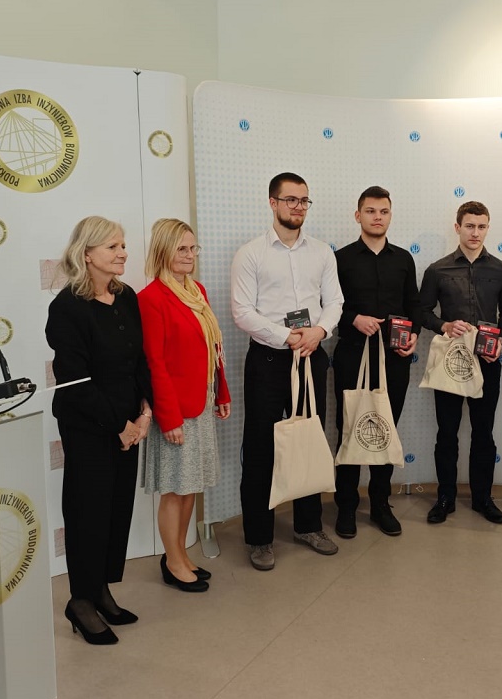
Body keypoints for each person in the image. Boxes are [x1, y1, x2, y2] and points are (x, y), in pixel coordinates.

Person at [46, 216, 153, 645]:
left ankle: (101, 589)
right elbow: (74, 382)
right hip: (89, 426)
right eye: (112, 246)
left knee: (115, 510)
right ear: (86, 253)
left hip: (129, 422)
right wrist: (119, 427)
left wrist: (145, 412)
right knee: (87, 512)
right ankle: (81, 601)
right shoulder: (67, 307)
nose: (123, 252)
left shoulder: (125, 296)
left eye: (123, 245)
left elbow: (139, 360)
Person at [231, 172, 344, 571]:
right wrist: (286, 336)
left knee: (309, 442)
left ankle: (308, 526)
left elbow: (335, 302)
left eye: (304, 200)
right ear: (273, 203)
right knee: (261, 448)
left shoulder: (322, 252)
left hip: (312, 356)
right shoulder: (251, 254)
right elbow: (242, 311)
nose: (298, 207)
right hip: (268, 360)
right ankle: (259, 537)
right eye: (290, 199)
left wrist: (319, 332)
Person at [139, 219, 231, 593]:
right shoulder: (151, 298)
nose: (190, 255)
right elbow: (154, 363)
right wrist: (169, 418)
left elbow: (213, 347)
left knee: (191, 485)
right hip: (175, 410)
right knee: (175, 489)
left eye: (193, 248)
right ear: (164, 250)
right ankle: (173, 560)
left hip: (201, 402)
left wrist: (221, 393)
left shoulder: (197, 291)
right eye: (182, 248)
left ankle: (180, 554)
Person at [419, 201, 502, 524]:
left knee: (483, 432)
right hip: (451, 360)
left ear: (488, 228)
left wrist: (501, 338)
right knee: (446, 432)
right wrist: (444, 326)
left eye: (481, 226)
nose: (475, 233)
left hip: (488, 361)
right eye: (470, 226)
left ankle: (483, 498)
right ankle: (445, 497)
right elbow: (421, 311)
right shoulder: (437, 270)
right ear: (457, 227)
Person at [332, 186, 421, 539]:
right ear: (358, 216)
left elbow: (413, 305)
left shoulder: (404, 259)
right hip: (352, 355)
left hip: (394, 358)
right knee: (349, 427)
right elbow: (329, 306)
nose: (377, 217)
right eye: (370, 211)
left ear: (390, 215)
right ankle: (346, 506)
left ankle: (381, 504)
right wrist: (354, 318)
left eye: (383, 211)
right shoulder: (340, 259)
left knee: (386, 428)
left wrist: (414, 335)